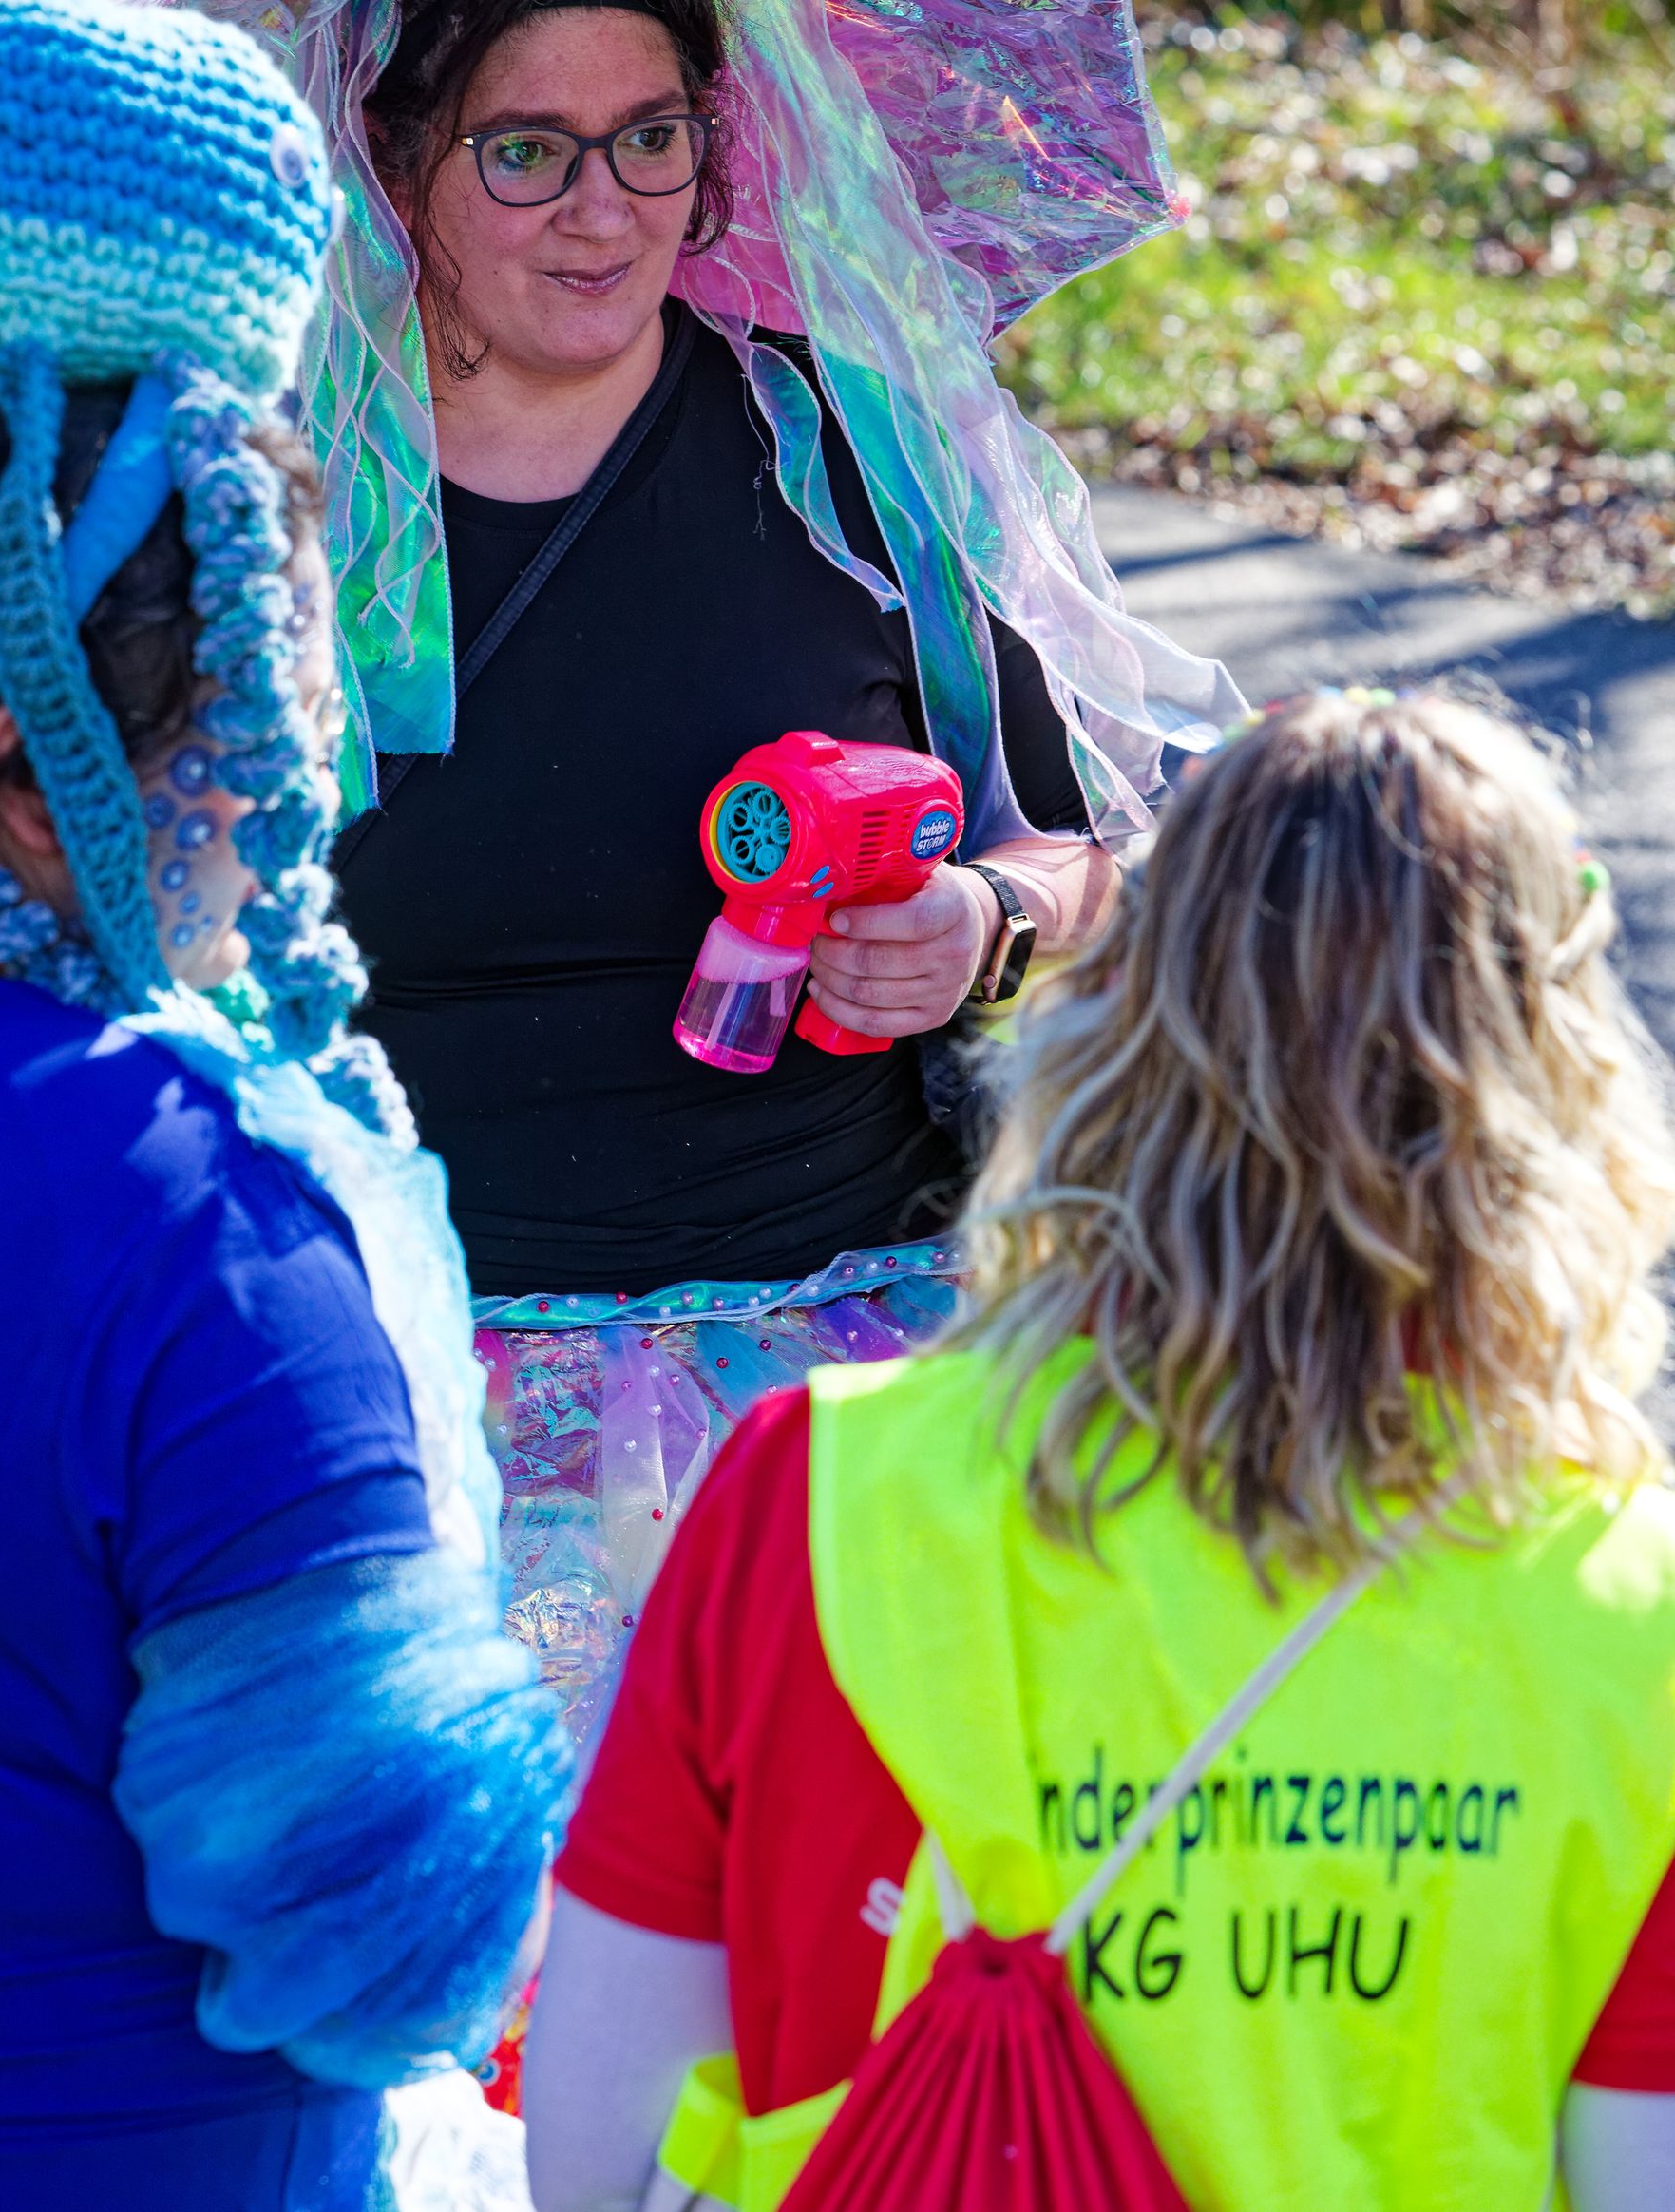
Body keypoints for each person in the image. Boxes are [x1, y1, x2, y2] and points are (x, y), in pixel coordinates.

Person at [161, 0, 1245, 1737]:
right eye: (527, 153)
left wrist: (978, 923)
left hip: (838, 1360)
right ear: (393, 162)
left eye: (653, 140)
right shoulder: (276, 493)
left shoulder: (841, 449)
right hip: (399, 1378)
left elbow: (1081, 847)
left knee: (848, 1974)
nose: (604, 210)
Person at [0, 0, 566, 2210]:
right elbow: (381, 1946)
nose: (274, 794)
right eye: (258, 692)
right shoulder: (191, 1220)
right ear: (29, 726)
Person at [526, 690, 1675, 2211]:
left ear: (1116, 1035)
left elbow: (596, 2156)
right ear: (1548, 1078)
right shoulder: (1630, 1611)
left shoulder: (816, 1493)